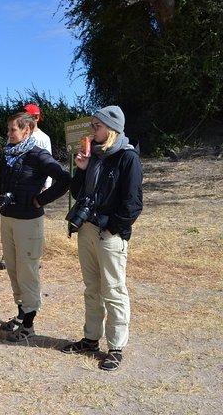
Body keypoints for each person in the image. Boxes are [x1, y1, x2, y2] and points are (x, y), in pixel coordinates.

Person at [61, 106, 143, 371]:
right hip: (87, 229)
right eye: (92, 125)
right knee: (91, 288)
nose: (92, 130)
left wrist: (112, 229)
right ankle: (90, 339)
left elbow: (133, 204)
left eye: (96, 125)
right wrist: (82, 169)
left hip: (110, 233)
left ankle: (116, 347)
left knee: (114, 290)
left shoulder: (127, 158)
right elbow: (77, 192)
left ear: (111, 128)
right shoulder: (94, 155)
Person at [0, 112, 71, 342]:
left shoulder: (38, 155)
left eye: (13, 130)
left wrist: (40, 199)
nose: (9, 134)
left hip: (29, 222)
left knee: (27, 272)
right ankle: (21, 315)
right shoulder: (9, 154)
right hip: (8, 218)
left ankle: (29, 326)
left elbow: (65, 179)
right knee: (13, 268)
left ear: (27, 130)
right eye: (8, 130)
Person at [24, 103, 53, 189]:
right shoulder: (18, 134)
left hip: (37, 183)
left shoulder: (44, 138)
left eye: (27, 117)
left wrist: (47, 185)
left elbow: (48, 162)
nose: (24, 120)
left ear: (36, 118)